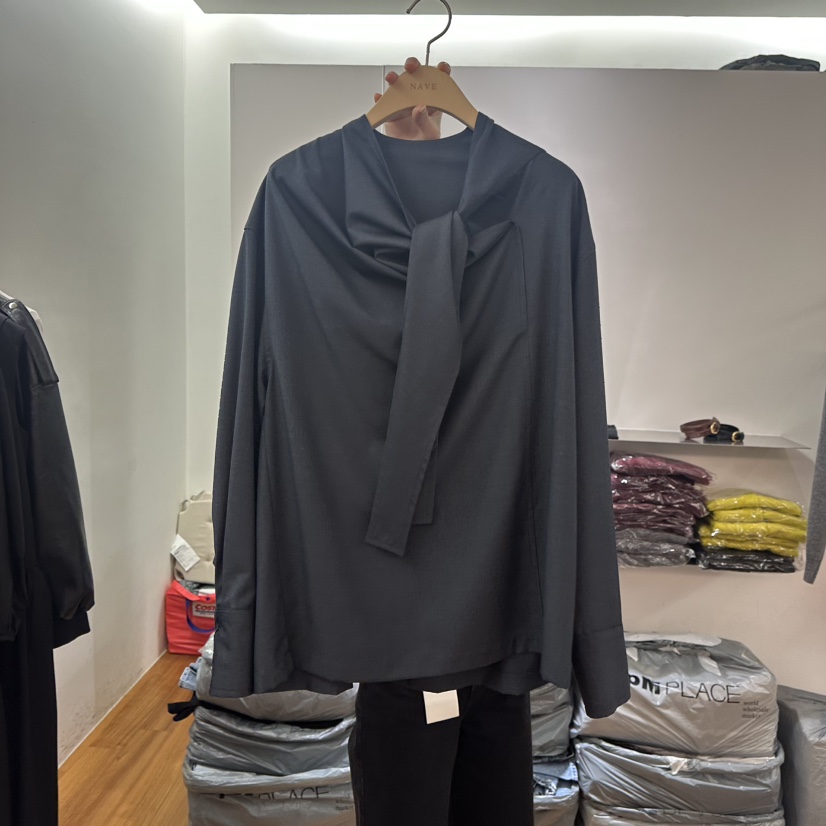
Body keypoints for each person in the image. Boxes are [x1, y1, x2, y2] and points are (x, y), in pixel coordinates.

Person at [347, 57, 537, 826]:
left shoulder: (525, 221)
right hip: (412, 595)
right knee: (412, 770)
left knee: (484, 768)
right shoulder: (337, 239)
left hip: (486, 590)